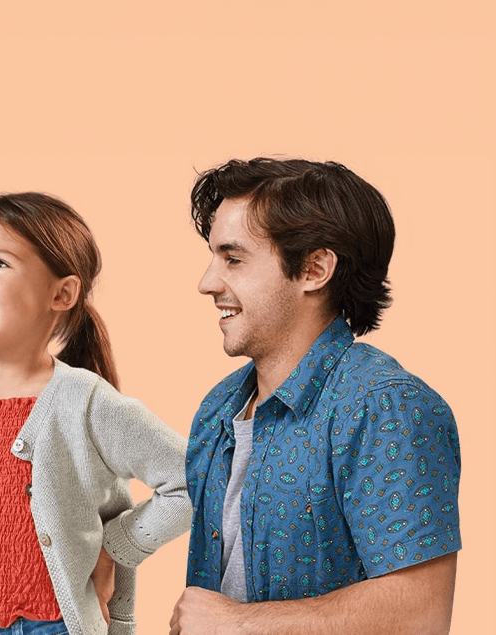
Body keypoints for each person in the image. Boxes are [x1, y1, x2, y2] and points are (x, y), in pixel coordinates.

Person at [170, 158, 461, 634]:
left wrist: (238, 624)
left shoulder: (385, 408)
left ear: (314, 269)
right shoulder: (217, 409)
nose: (207, 282)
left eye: (234, 258)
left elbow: (419, 616)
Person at [0, 192, 192, 635]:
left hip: (49, 626)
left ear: (61, 293)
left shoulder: (82, 400)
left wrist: (116, 547)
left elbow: (193, 478)